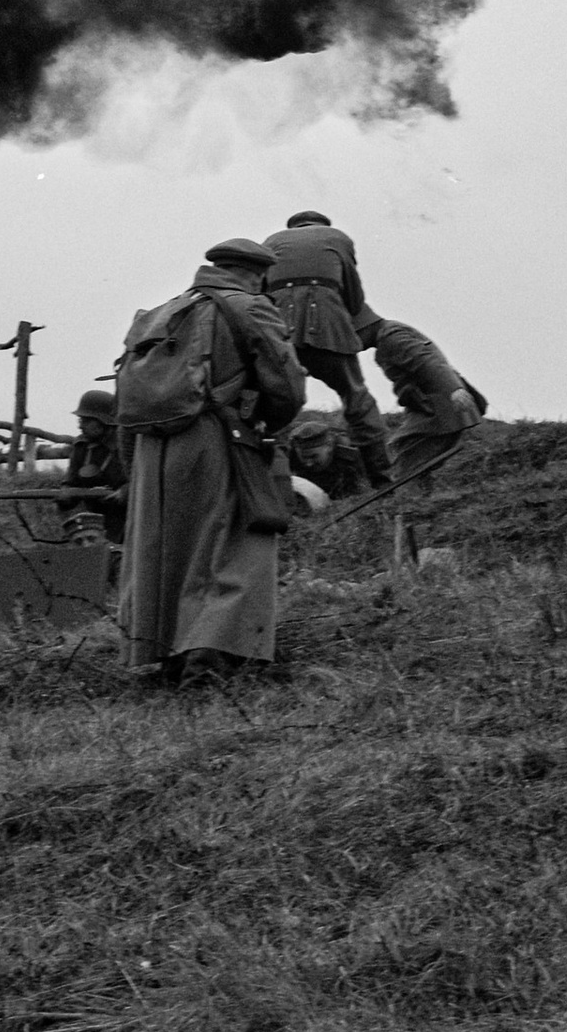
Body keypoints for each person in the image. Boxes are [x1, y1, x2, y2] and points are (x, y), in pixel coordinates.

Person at [117, 237, 307, 685]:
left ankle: (164, 653)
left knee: (166, 549)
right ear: (259, 274)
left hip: (153, 445)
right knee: (236, 542)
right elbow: (287, 385)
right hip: (217, 434)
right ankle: (210, 658)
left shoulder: (161, 312)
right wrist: (266, 422)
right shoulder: (251, 308)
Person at [262, 211, 396, 490]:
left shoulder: (271, 241)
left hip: (279, 334)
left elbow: (260, 295)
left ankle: (260, 482)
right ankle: (384, 482)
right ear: (322, 225)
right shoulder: (337, 238)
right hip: (328, 329)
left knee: (264, 405)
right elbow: (354, 297)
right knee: (356, 397)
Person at [370, 318, 489, 485]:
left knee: (403, 453)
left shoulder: (392, 337)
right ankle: (415, 497)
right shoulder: (388, 337)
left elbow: (431, 364)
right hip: (432, 408)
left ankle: (408, 500)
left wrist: (456, 391)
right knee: (406, 455)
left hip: (443, 409)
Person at [62, 387, 126, 546]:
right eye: (80, 420)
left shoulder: (126, 446)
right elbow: (71, 482)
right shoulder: (81, 447)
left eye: (86, 421)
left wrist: (125, 492)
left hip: (130, 521)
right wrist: (65, 495)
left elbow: (145, 482)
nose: (80, 426)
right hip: (94, 525)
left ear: (104, 421)